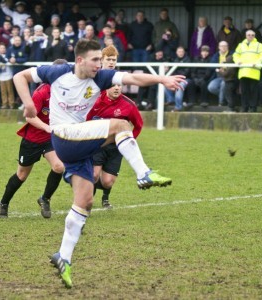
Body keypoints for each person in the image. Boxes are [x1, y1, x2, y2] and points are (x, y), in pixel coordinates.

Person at [13, 39, 186, 288]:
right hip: (63, 136)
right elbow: (19, 76)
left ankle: (63, 256)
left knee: (85, 201)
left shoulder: (102, 77)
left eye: (101, 60)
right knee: (121, 125)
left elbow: (134, 79)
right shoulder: (56, 72)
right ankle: (143, 173)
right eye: (95, 60)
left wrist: (161, 80)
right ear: (80, 60)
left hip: (78, 145)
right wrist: (28, 102)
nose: (100, 64)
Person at [0, 59, 66, 218]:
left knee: (59, 167)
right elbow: (29, 117)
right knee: (21, 175)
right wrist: (47, 127)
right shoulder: (41, 92)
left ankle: (45, 199)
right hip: (33, 139)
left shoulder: (66, 94)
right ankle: (4, 203)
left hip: (51, 139)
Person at [87, 45, 143, 208]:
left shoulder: (119, 84)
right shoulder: (92, 79)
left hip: (114, 145)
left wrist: (126, 142)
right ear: (101, 60)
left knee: (108, 181)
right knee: (94, 175)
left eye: (114, 60)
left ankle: (104, 196)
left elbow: (138, 125)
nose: (111, 63)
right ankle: (87, 201)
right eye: (108, 60)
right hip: (96, 141)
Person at [233, 30, 262, 112]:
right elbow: (235, 54)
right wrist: (237, 61)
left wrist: (258, 62)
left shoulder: (259, 45)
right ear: (245, 36)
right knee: (244, 91)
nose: (250, 36)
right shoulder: (240, 45)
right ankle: (245, 107)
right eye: (248, 35)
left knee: (253, 91)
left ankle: (253, 107)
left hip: (254, 71)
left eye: (252, 35)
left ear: (254, 36)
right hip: (243, 71)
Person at [164, 46, 191, 111]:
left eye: (182, 52)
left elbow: (186, 73)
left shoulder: (188, 60)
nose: (180, 53)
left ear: (184, 52)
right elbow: (172, 72)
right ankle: (171, 100)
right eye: (179, 51)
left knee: (179, 86)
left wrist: (177, 76)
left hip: (186, 79)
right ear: (176, 52)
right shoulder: (175, 60)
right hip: (177, 78)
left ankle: (178, 106)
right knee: (165, 84)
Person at [207, 41, 232, 106]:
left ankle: (221, 103)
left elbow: (233, 66)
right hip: (218, 76)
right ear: (219, 47)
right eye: (221, 46)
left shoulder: (232, 54)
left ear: (228, 47)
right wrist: (218, 69)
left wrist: (225, 69)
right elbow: (211, 65)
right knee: (211, 87)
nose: (223, 47)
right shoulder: (216, 55)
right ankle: (225, 97)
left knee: (223, 85)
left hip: (228, 76)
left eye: (225, 46)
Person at [0, 42, 15, 109]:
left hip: (8, 75)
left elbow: (4, 61)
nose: (2, 49)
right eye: (1, 48)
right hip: (1, 76)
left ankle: (11, 104)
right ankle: (4, 104)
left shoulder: (7, 55)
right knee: (3, 91)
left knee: (10, 90)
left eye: (4, 48)